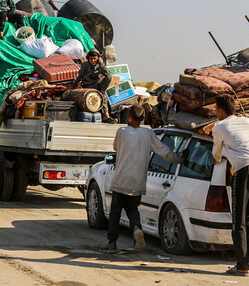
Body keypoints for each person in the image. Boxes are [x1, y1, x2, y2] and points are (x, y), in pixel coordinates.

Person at [100, 104, 185, 253]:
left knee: (115, 212)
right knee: (133, 209)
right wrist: (179, 158)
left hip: (120, 179)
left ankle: (112, 243)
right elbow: (164, 152)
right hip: (137, 182)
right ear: (144, 118)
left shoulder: (121, 132)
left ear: (129, 117)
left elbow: (115, 147)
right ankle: (137, 228)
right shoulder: (148, 134)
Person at [211, 94, 249, 276]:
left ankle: (242, 265)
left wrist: (217, 157)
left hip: (244, 169)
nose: (214, 112)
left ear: (220, 110)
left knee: (238, 221)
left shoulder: (218, 126)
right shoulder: (247, 121)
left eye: (215, 109)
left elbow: (216, 155)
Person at [72, 48, 116, 123]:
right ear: (88, 58)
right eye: (91, 59)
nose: (92, 61)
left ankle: (107, 117)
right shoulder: (85, 65)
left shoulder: (100, 65)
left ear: (97, 58)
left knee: (103, 97)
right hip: (88, 86)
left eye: (94, 59)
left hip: (98, 85)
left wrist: (101, 63)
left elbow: (108, 74)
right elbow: (79, 76)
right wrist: (73, 86)